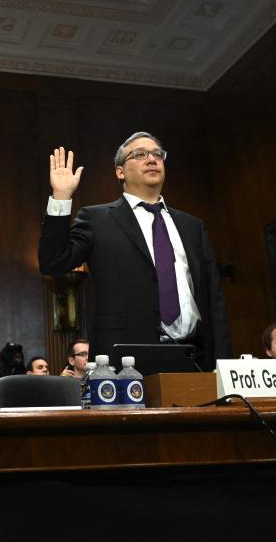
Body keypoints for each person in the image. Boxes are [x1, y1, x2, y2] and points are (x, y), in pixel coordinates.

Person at [38, 133, 231, 370]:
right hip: (126, 359)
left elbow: (214, 298)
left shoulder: (192, 226)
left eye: (157, 155)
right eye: (140, 155)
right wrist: (61, 196)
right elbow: (53, 262)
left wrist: (223, 363)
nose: (152, 159)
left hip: (195, 358)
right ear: (120, 172)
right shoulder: (97, 219)